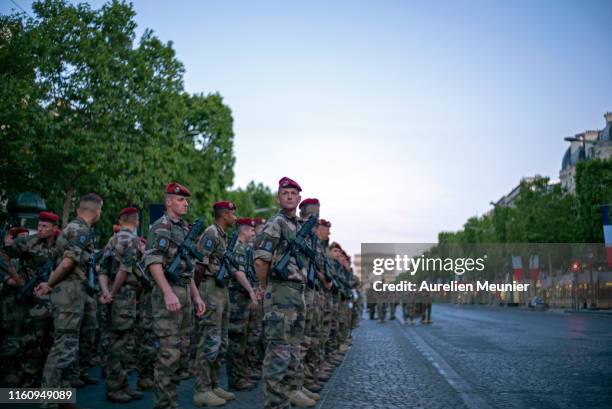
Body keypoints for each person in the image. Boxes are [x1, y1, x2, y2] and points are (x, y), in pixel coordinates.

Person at [35, 193, 103, 409]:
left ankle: (61, 397)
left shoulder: (75, 228)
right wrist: (49, 284)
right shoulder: (80, 230)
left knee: (68, 347)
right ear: (97, 211)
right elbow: (67, 264)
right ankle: (49, 400)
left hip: (73, 292)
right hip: (69, 292)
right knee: (63, 346)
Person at [253, 177, 313, 409]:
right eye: (285, 193)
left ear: (299, 199)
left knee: (293, 350)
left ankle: (288, 397)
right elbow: (260, 261)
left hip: (296, 294)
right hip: (280, 292)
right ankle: (275, 404)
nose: (289, 196)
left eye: (293, 193)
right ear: (279, 198)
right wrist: (267, 287)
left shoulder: (298, 226)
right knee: (278, 352)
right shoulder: (275, 224)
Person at [144, 183, 206, 409]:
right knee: (168, 354)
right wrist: (168, 292)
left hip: (184, 292)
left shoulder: (183, 228)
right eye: (180, 200)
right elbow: (153, 261)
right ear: (169, 201)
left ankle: (171, 403)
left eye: (186, 200)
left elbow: (187, 270)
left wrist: (196, 296)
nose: (186, 203)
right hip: (168, 293)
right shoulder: (162, 226)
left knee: (180, 352)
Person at [192, 200, 243, 407]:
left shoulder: (222, 236)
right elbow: (199, 266)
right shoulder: (211, 233)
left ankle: (213, 385)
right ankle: (201, 389)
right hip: (209, 289)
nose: (236, 217)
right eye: (233, 213)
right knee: (208, 341)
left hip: (221, 290)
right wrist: (196, 295)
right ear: (224, 214)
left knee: (220, 342)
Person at [3, 212, 60, 386]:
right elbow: (4, 256)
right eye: (39, 225)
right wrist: (16, 278)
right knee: (32, 339)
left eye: (45, 226)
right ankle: (28, 378)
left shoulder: (60, 244)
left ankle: (46, 380)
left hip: (55, 298)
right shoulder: (27, 242)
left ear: (54, 229)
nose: (40, 229)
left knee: (50, 340)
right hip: (33, 299)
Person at [99, 207, 144, 402]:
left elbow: (102, 269)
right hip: (125, 295)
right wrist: (114, 293)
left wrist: (106, 292)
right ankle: (115, 388)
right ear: (136, 221)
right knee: (121, 344)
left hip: (115, 294)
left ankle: (123, 385)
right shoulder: (132, 240)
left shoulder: (113, 239)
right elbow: (124, 271)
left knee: (122, 342)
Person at [226, 217, 259, 392]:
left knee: (244, 338)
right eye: (252, 230)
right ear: (244, 230)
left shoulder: (245, 249)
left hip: (242, 298)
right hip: (236, 298)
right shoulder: (237, 248)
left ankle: (242, 373)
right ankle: (235, 378)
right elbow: (238, 273)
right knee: (237, 339)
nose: (254, 233)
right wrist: (251, 291)